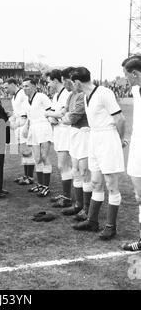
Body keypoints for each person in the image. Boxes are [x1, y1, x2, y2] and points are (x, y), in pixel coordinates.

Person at [71, 67, 127, 240]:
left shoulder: (104, 93)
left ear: (78, 82)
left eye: (74, 83)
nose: (74, 86)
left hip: (108, 138)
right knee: (95, 181)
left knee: (111, 184)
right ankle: (92, 221)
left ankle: (111, 227)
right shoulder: (86, 96)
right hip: (94, 138)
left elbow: (120, 119)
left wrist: (119, 139)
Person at [60, 67, 92, 221]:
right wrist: (63, 116)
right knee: (75, 170)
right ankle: (78, 204)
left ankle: (86, 208)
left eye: (65, 80)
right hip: (74, 133)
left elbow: (70, 118)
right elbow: (63, 113)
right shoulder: (70, 96)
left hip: (83, 132)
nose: (65, 84)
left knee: (84, 170)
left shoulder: (81, 96)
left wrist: (63, 117)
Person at [45, 69, 73, 207]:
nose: (48, 84)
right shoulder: (56, 96)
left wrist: (48, 114)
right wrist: (51, 116)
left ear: (55, 80)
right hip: (58, 132)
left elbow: (62, 114)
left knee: (64, 165)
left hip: (66, 132)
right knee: (64, 166)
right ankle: (67, 195)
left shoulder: (66, 94)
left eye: (49, 81)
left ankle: (68, 197)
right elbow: (54, 114)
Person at [121, 55, 141, 250]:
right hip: (137, 146)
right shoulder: (136, 89)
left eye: (127, 75)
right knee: (139, 195)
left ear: (134, 74)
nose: (126, 79)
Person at [21, 77, 53, 197]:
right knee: (37, 158)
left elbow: (50, 111)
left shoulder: (41, 97)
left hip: (44, 127)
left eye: (27, 86)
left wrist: (53, 121)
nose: (25, 88)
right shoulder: (25, 102)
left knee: (44, 156)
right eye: (23, 86)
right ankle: (40, 184)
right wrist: (26, 127)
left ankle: (46, 187)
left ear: (34, 86)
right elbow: (29, 118)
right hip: (33, 129)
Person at [3, 78, 35, 186]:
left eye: (7, 87)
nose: (5, 90)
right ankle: (26, 175)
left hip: (25, 124)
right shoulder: (14, 97)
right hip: (19, 124)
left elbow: (28, 110)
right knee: (23, 151)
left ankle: (30, 177)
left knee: (27, 151)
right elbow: (18, 112)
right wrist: (11, 114)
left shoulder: (22, 94)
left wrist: (26, 125)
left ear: (13, 85)